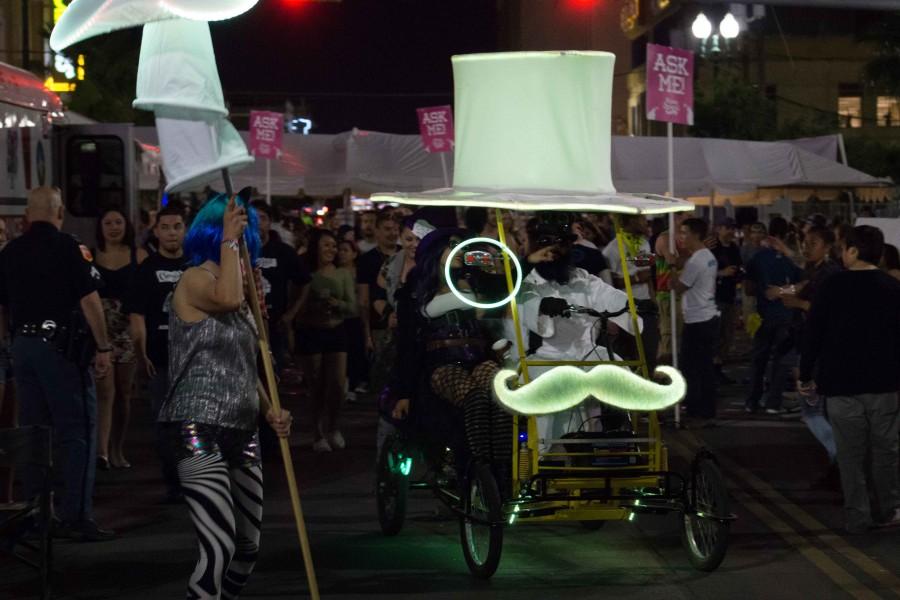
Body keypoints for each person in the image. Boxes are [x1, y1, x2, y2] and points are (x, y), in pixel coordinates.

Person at [162, 193, 292, 598]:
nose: (246, 239)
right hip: (197, 425)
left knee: (248, 547)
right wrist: (230, 242)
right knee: (218, 546)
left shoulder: (241, 287)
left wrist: (272, 410)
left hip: (243, 427)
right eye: (239, 230)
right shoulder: (195, 278)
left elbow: (246, 361)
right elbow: (228, 299)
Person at [0, 187, 114, 540]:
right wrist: (103, 346)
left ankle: (38, 511)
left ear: (26, 217)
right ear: (59, 211)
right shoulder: (68, 246)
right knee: (76, 431)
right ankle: (75, 517)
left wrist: (10, 346)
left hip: (24, 348)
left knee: (35, 432)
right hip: (60, 351)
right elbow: (90, 300)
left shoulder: (9, 252)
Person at [390, 228, 513, 489]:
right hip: (441, 361)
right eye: (453, 245)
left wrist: (501, 267)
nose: (460, 250)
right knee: (476, 398)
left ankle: (500, 467)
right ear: (437, 251)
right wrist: (402, 392)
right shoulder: (418, 286)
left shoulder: (473, 279)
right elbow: (407, 342)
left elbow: (505, 293)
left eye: (462, 245)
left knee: (503, 393)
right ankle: (474, 465)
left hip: (478, 354)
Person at [799, 225, 900, 533]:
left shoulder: (833, 286)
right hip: (885, 384)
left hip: (841, 383)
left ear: (854, 251)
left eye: (844, 248)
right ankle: (888, 509)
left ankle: (858, 515)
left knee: (850, 454)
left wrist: (806, 374)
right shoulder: (893, 287)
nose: (841, 254)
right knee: (886, 450)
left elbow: (814, 333)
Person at [519, 214, 638, 448]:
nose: (555, 250)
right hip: (546, 357)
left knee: (619, 371)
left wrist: (633, 306)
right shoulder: (528, 281)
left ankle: (615, 442)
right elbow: (526, 303)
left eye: (562, 244)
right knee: (548, 393)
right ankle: (542, 453)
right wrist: (542, 306)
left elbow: (607, 295)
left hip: (587, 352)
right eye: (548, 243)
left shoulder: (581, 278)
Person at [126, 204, 187, 503]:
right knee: (164, 425)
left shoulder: (197, 266)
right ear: (157, 231)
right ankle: (173, 482)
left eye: (177, 226)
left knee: (195, 423)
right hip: (160, 359)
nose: (172, 232)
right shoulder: (146, 270)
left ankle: (198, 480)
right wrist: (141, 353)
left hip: (195, 359)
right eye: (166, 227)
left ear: (185, 230)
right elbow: (136, 316)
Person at [779, 226, 841, 475]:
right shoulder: (814, 270)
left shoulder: (830, 273)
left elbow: (828, 309)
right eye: (805, 242)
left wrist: (799, 302)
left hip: (820, 348)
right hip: (808, 343)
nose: (806, 247)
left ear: (827, 247)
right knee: (817, 408)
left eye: (813, 242)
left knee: (812, 409)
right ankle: (836, 460)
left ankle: (839, 455)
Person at [289, 229, 357, 452]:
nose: (331, 250)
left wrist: (337, 304)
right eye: (326, 245)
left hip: (336, 331)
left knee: (337, 385)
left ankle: (334, 427)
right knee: (316, 384)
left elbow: (353, 307)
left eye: (334, 246)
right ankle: (317, 433)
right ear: (315, 246)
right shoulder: (304, 272)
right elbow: (295, 303)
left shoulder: (343, 273)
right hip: (310, 332)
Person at [93, 208, 148, 470]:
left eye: (118, 222)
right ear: (100, 226)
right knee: (105, 391)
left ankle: (117, 448)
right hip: (100, 331)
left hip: (127, 330)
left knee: (124, 394)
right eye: (108, 222)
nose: (113, 227)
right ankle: (101, 451)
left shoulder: (140, 256)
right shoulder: (90, 255)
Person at [744, 217, 804, 414]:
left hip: (764, 314)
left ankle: (752, 401)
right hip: (788, 314)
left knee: (759, 359)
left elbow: (749, 287)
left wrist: (764, 291)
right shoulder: (793, 259)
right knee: (781, 360)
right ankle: (773, 402)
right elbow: (803, 284)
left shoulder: (758, 258)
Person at [250, 200, 310, 371]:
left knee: (274, 375)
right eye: (253, 218)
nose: (258, 223)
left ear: (270, 222)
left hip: (276, 325)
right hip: (247, 324)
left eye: (262, 218)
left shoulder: (283, 251)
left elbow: (304, 282)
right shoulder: (238, 250)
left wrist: (291, 314)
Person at [673, 218, 721, 424]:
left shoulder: (697, 260)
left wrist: (668, 266)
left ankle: (697, 407)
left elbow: (679, 286)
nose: (681, 237)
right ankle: (704, 406)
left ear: (696, 235)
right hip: (706, 315)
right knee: (703, 366)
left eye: (684, 233)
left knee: (692, 366)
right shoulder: (707, 256)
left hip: (698, 319)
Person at [603, 214, 659, 371]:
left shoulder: (643, 243)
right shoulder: (612, 249)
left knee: (649, 351)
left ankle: (648, 387)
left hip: (646, 306)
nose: (646, 223)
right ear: (631, 221)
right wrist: (635, 278)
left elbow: (647, 275)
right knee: (626, 354)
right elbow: (609, 283)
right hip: (624, 309)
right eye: (642, 219)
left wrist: (654, 301)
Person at [356, 211, 400, 394]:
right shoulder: (367, 260)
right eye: (387, 229)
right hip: (379, 327)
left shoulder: (407, 255)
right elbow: (364, 300)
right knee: (382, 378)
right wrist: (366, 334)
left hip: (404, 322)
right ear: (377, 231)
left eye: (395, 229)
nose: (392, 233)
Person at [710, 217, 742, 383]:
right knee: (717, 333)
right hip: (716, 296)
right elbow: (705, 269)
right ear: (719, 229)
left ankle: (718, 367)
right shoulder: (713, 248)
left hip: (730, 295)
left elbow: (739, 266)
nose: (730, 232)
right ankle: (713, 369)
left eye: (732, 228)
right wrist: (722, 273)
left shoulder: (734, 248)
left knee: (727, 334)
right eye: (726, 228)